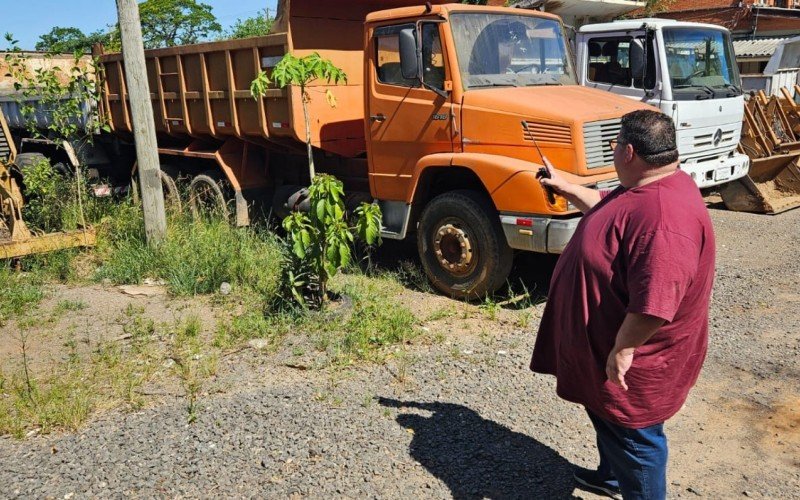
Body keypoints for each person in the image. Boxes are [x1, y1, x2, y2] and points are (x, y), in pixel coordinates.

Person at [530, 110, 716, 500]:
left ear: (628, 151)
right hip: (606, 344)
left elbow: (656, 302)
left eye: (615, 145)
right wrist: (565, 187)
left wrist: (623, 348)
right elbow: (605, 207)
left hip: (637, 360)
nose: (614, 151)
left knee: (636, 439)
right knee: (609, 421)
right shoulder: (647, 185)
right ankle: (611, 478)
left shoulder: (665, 217)